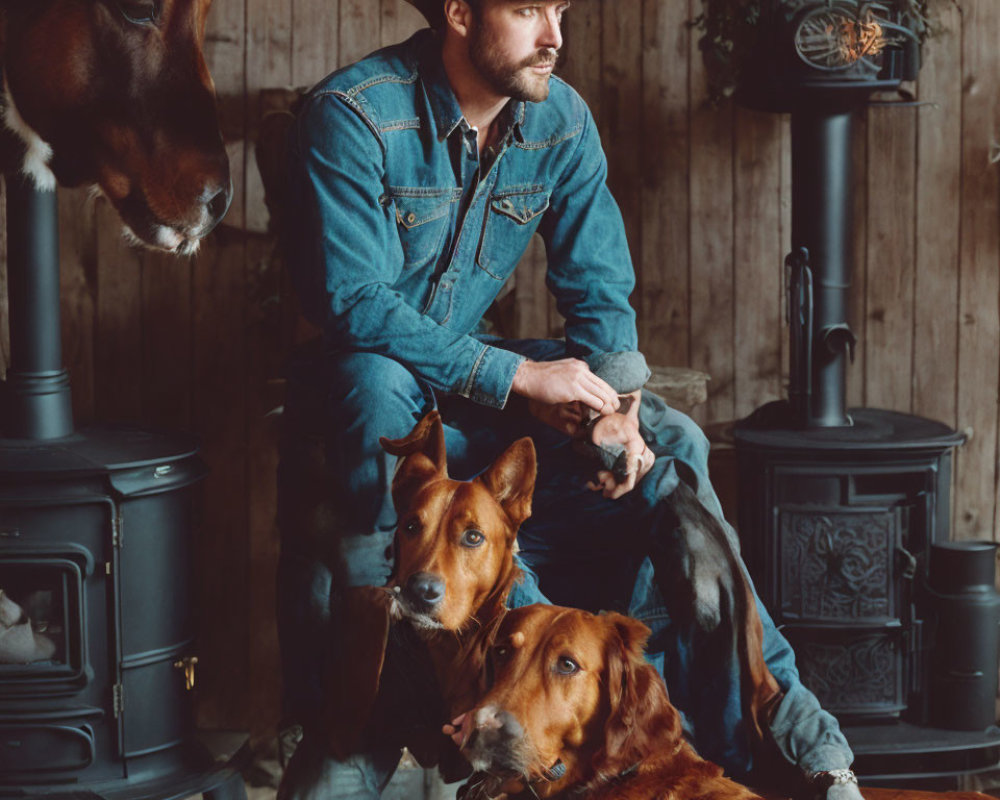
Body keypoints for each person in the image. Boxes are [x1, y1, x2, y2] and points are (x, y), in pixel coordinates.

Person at [276, 1, 861, 798]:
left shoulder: (562, 121)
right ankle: (520, 713)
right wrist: (518, 379)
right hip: (370, 390)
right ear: (457, 12)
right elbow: (355, 303)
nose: (554, 35)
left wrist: (616, 406)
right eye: (527, 10)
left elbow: (600, 293)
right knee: (373, 379)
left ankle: (777, 741)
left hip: (471, 388)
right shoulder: (352, 114)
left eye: (561, 9)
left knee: (671, 441)